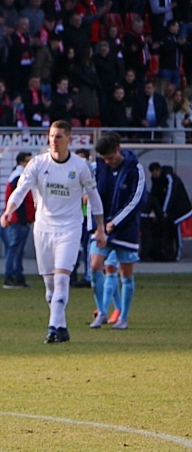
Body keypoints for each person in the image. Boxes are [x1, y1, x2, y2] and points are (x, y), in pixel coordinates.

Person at [2, 120, 106, 343]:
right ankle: (62, 326)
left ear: (69, 139)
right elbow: (21, 190)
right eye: (51, 136)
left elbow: (94, 197)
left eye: (58, 136)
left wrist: (100, 227)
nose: (54, 141)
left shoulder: (80, 166)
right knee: (50, 287)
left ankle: (52, 327)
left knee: (61, 280)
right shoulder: (38, 164)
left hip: (69, 229)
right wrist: (9, 211)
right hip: (43, 229)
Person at [90, 132, 146, 330]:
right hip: (102, 228)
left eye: (111, 157)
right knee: (95, 265)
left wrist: (115, 221)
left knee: (125, 273)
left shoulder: (135, 169)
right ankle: (102, 312)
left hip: (125, 230)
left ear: (118, 150)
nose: (108, 162)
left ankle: (123, 316)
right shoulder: (98, 168)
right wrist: (97, 226)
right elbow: (92, 196)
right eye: (104, 158)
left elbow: (137, 198)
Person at [2, 152, 34, 289]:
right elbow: (18, 201)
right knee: (14, 249)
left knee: (17, 249)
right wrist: (23, 218)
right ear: (21, 162)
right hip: (18, 219)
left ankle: (17, 276)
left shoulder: (17, 175)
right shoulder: (18, 177)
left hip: (19, 219)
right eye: (27, 161)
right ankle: (10, 276)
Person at [147, 163, 192, 260]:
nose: (155, 175)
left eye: (155, 172)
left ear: (159, 170)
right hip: (169, 212)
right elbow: (155, 195)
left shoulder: (170, 178)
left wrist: (164, 210)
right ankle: (168, 253)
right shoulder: (155, 180)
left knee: (177, 231)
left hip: (180, 210)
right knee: (168, 231)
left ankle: (178, 255)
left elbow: (170, 194)